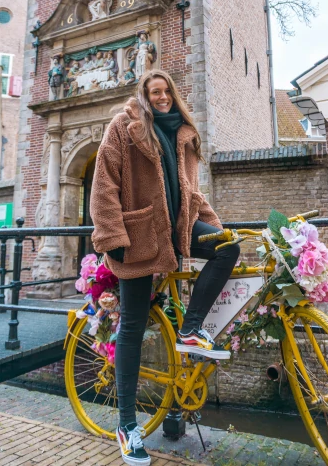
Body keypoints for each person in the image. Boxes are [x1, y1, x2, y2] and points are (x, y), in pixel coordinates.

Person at [90, 69, 240, 466]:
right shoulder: (124, 128)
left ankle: (190, 330)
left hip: (177, 228)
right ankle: (127, 425)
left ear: (173, 94)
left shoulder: (184, 133)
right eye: (153, 92)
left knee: (228, 248)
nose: (161, 97)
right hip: (138, 237)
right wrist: (112, 238)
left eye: (165, 91)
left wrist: (216, 226)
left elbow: (191, 191)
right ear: (144, 96)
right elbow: (104, 184)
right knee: (133, 328)